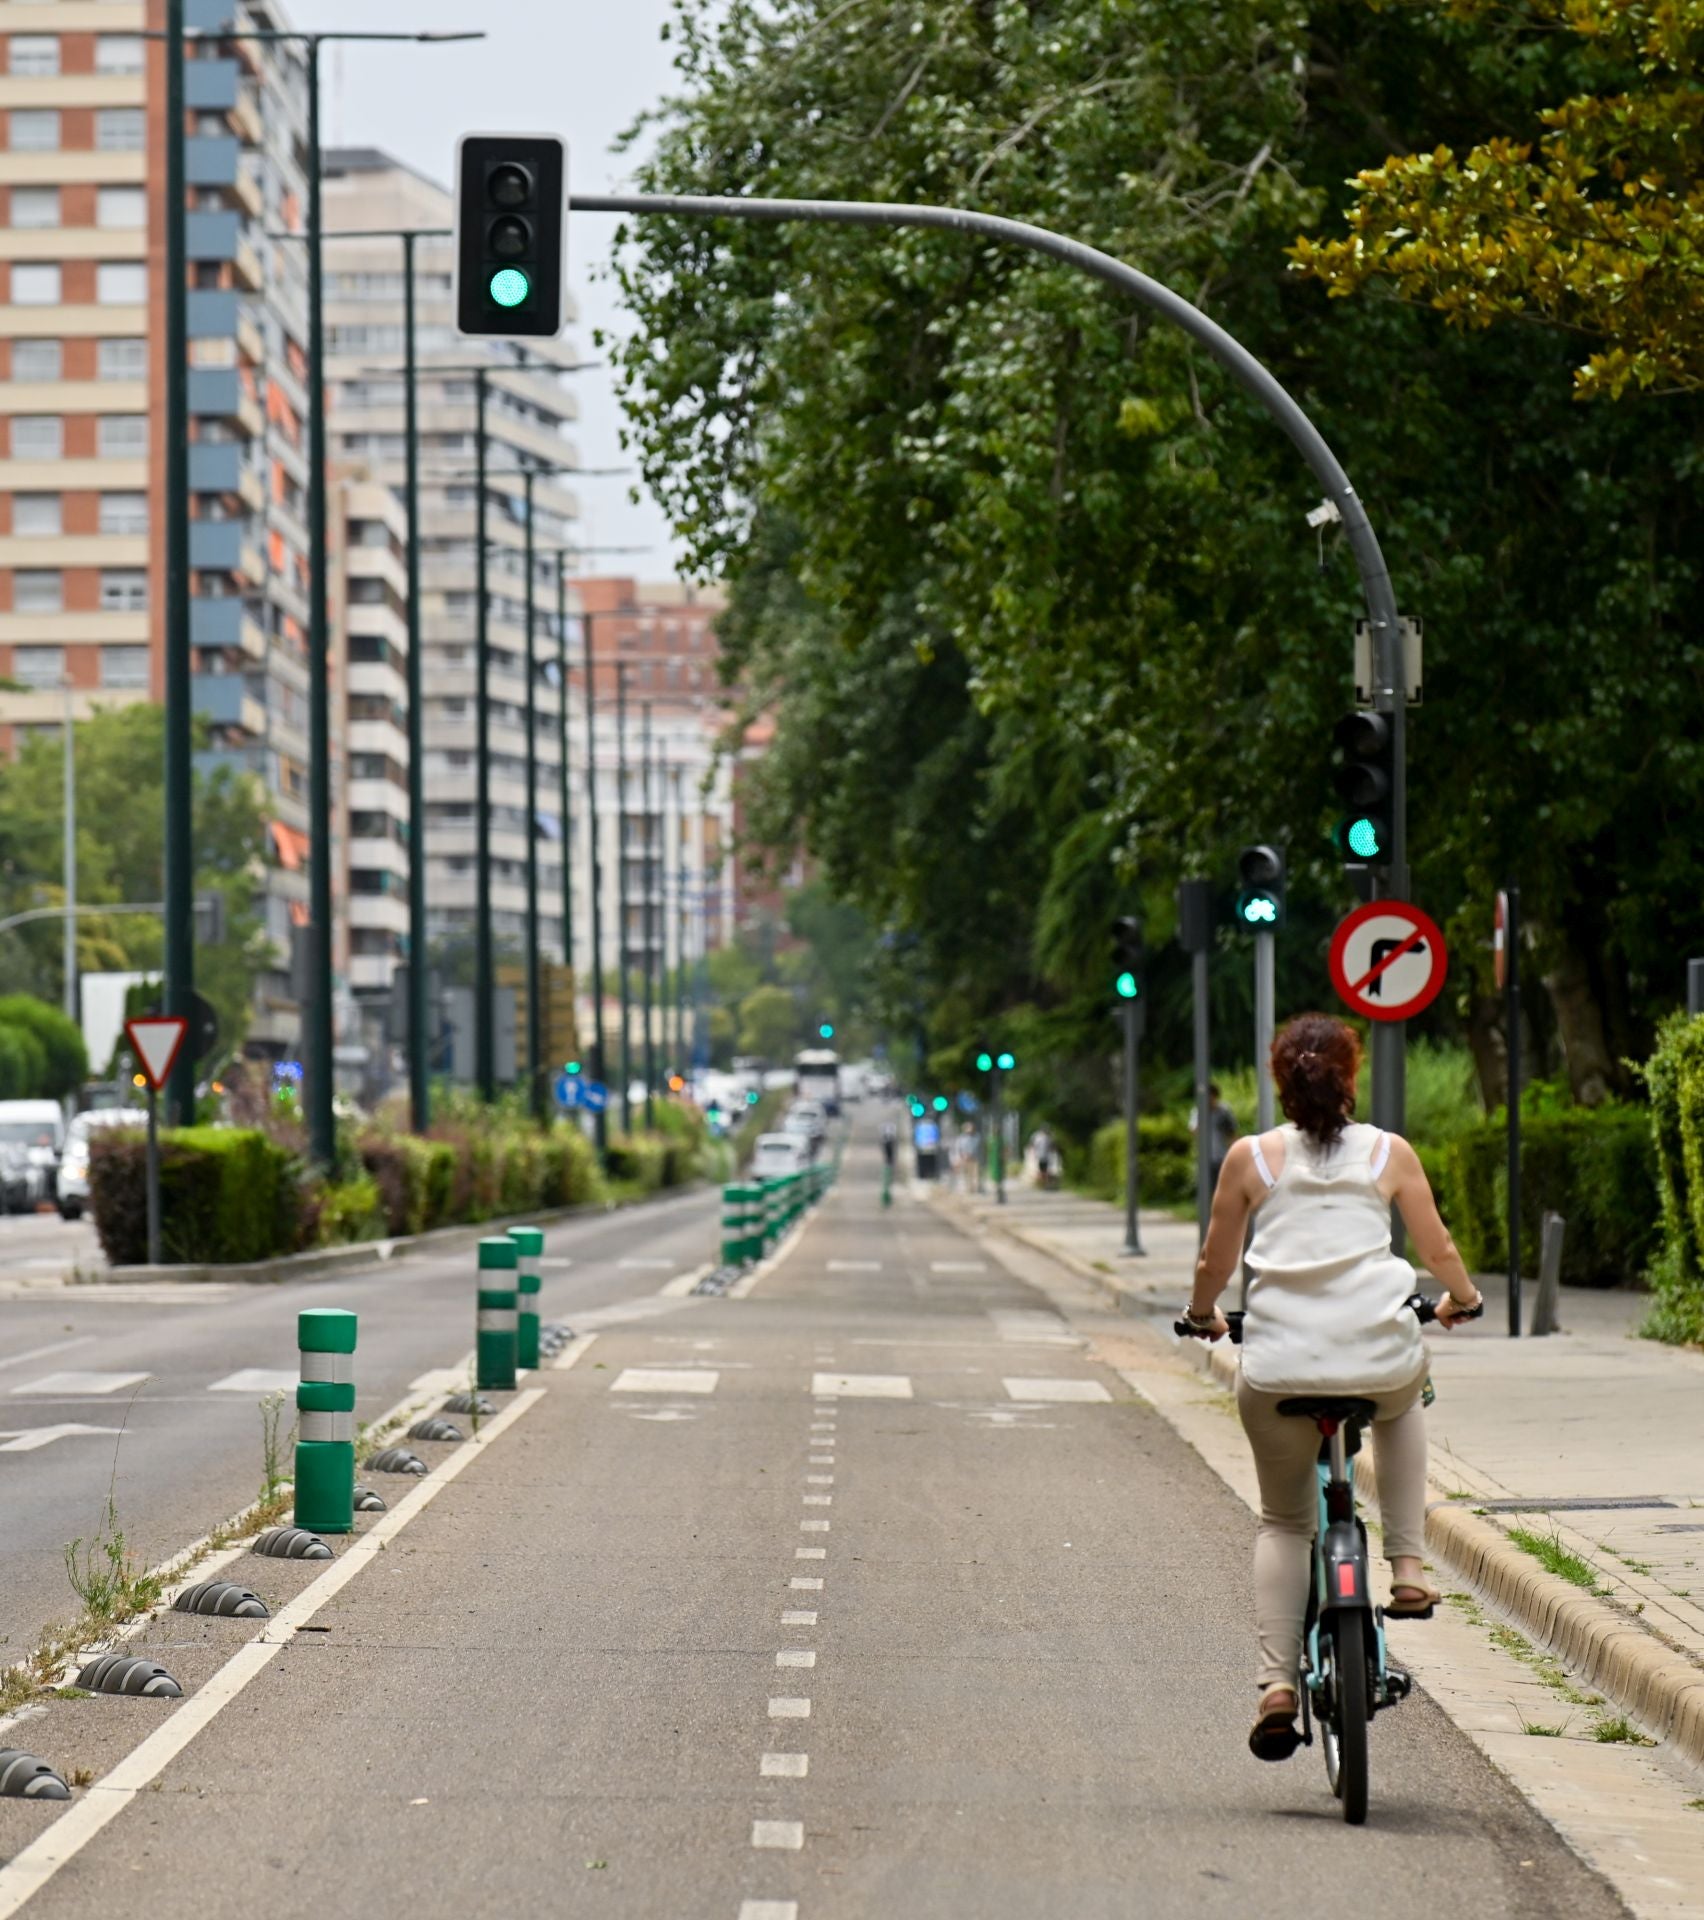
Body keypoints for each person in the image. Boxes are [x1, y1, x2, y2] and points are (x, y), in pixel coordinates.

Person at [1178, 1012, 1482, 1763]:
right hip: (1378, 1358)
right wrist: (1463, 1300)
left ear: (1280, 1083)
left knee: (1285, 1524)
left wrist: (1201, 1316)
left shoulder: (1250, 1159)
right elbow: (1437, 1247)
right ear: (1350, 1080)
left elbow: (1214, 1264)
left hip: (1279, 1369)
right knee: (1406, 1392)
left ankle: (1277, 1686)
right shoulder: (1389, 1152)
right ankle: (1408, 1569)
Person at [1189, 1083, 1240, 1188]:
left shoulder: (1224, 1111)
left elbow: (1232, 1133)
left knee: (1224, 1186)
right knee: (1206, 1188)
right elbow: (1193, 1130)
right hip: (1205, 1156)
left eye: (1211, 1097)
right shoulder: (1198, 1111)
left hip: (1222, 1155)